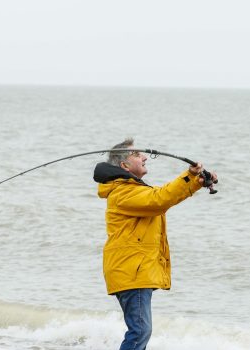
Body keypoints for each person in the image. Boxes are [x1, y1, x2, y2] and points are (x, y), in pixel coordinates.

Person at [93, 138, 217, 350]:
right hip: (132, 271)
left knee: (140, 330)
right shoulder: (123, 192)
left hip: (133, 270)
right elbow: (159, 199)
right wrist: (190, 177)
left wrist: (197, 181)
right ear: (124, 165)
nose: (144, 157)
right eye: (136, 154)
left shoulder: (130, 188)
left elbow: (160, 197)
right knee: (140, 330)